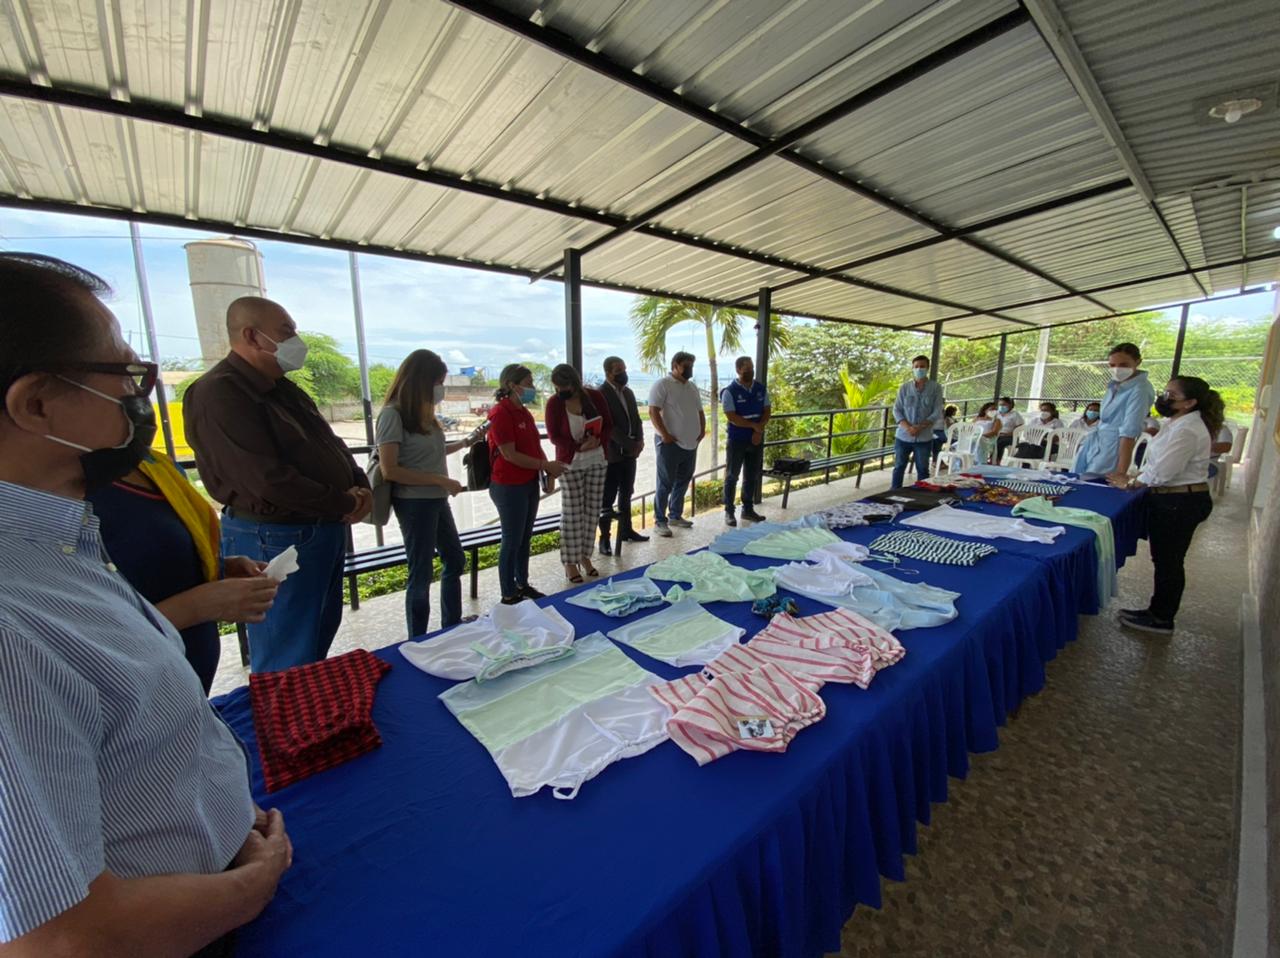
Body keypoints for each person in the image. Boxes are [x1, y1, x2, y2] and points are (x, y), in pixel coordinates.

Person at [0, 254, 291, 956]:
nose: (139, 400)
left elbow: (115, 702)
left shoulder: (57, 538)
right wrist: (252, 886)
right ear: (36, 403)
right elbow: (60, 938)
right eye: (124, 377)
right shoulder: (10, 624)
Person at [184, 296, 372, 673]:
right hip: (275, 536)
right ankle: (281, 709)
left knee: (313, 636)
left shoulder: (283, 389)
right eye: (286, 332)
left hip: (319, 528)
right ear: (252, 336)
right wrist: (344, 502)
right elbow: (266, 480)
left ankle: (303, 702)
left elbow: (330, 443)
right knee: (286, 650)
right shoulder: (219, 393)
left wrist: (360, 486)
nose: (296, 341)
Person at [88, 449, 279, 693]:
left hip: (189, 671)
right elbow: (88, 635)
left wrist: (221, 568)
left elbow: (152, 556)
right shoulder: (71, 494)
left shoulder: (155, 466)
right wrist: (198, 606)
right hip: (137, 682)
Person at [376, 349, 484, 638]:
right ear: (421, 381)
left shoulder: (424, 415)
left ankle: (451, 626)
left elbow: (431, 452)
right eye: (438, 382)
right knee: (421, 572)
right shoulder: (392, 415)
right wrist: (440, 480)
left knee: (455, 559)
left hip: (436, 500)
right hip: (414, 503)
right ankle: (419, 638)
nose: (441, 388)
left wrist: (465, 443)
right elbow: (390, 470)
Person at [1110, 376, 1222, 635]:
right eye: (1165, 391)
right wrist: (1136, 477)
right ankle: (1156, 610)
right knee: (1164, 559)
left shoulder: (1187, 430)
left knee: (1169, 561)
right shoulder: (1178, 423)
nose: (1164, 398)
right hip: (1173, 498)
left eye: (1172, 395)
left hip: (1179, 502)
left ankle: (1162, 618)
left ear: (1190, 402)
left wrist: (1130, 484)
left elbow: (1164, 472)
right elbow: (1156, 464)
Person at [487, 364, 564, 604]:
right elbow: (509, 454)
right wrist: (545, 465)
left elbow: (535, 447)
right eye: (528, 383)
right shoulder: (500, 413)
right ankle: (508, 592)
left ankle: (522, 583)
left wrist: (548, 473)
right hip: (509, 485)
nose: (532, 388)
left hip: (528, 482)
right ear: (512, 385)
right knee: (512, 539)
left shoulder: (524, 412)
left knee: (524, 538)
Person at [545, 364, 613, 583]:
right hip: (570, 463)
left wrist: (597, 440)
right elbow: (554, 436)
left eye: (564, 387)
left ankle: (585, 557)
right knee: (572, 514)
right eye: (557, 387)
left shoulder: (594, 397)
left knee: (592, 512)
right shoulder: (554, 403)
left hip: (597, 460)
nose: (560, 391)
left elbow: (608, 425)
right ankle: (570, 563)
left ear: (574, 383)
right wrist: (577, 446)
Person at [1074, 343, 1156, 478]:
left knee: (1097, 483)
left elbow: (1129, 431)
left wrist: (1121, 472)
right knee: (1080, 479)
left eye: (1124, 365)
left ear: (1138, 362)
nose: (1117, 369)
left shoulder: (1140, 389)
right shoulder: (1114, 385)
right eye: (1112, 365)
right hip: (1096, 443)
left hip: (1114, 448)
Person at [648, 351, 705, 537]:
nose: (690, 369)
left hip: (690, 443)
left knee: (684, 480)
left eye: (691, 366)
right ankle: (660, 520)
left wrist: (701, 430)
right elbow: (653, 411)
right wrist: (665, 435)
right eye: (686, 366)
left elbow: (699, 411)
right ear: (675, 366)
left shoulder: (692, 387)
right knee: (665, 482)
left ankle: (675, 515)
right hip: (669, 444)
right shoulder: (663, 384)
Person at [597, 356, 647, 555]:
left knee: (627, 493)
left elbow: (637, 419)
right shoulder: (601, 394)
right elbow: (608, 426)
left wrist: (640, 441)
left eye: (624, 369)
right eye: (619, 370)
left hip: (630, 453)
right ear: (608, 373)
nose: (623, 374)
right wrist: (629, 444)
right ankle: (605, 539)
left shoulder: (628, 392)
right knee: (607, 498)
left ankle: (626, 530)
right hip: (612, 454)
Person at [720, 355, 770, 526]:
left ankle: (748, 509)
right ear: (738, 370)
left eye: (752, 368)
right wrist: (754, 426)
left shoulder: (760, 389)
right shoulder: (729, 391)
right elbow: (732, 416)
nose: (751, 371)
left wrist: (759, 430)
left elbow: (767, 410)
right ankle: (729, 511)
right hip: (737, 440)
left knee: (751, 475)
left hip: (756, 439)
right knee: (732, 476)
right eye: (747, 369)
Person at [891, 355, 943, 487]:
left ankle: (921, 494)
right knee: (899, 467)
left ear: (927, 368)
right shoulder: (904, 388)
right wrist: (908, 428)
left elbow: (937, 411)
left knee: (923, 469)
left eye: (922, 366)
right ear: (912, 368)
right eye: (916, 366)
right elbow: (897, 410)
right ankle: (894, 492)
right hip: (903, 437)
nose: (919, 369)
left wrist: (919, 427)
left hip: (924, 438)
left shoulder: (936, 388)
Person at [992, 396, 1024, 463]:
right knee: (989, 441)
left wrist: (1007, 434)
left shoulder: (1015, 414)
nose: (1001, 406)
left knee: (999, 442)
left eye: (1004, 405)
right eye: (1000, 405)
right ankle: (990, 459)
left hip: (1010, 437)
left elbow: (1020, 427)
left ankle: (997, 461)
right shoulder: (996, 413)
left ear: (1010, 405)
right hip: (996, 435)